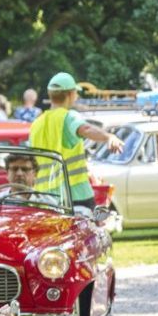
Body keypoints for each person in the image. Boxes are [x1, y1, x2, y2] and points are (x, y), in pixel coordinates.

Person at [28, 72, 123, 211]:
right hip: (75, 194)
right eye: (76, 93)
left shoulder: (36, 124)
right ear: (70, 94)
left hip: (44, 196)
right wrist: (109, 137)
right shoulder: (68, 117)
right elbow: (86, 129)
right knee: (90, 229)